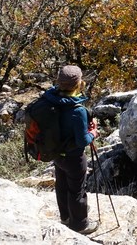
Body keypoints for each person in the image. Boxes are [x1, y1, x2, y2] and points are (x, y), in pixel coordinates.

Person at [41, 65, 99, 235]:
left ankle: (66, 217)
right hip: (74, 157)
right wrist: (93, 132)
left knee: (62, 185)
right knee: (77, 190)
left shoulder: (50, 99)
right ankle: (80, 225)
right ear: (79, 83)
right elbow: (82, 141)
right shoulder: (77, 110)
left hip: (56, 154)